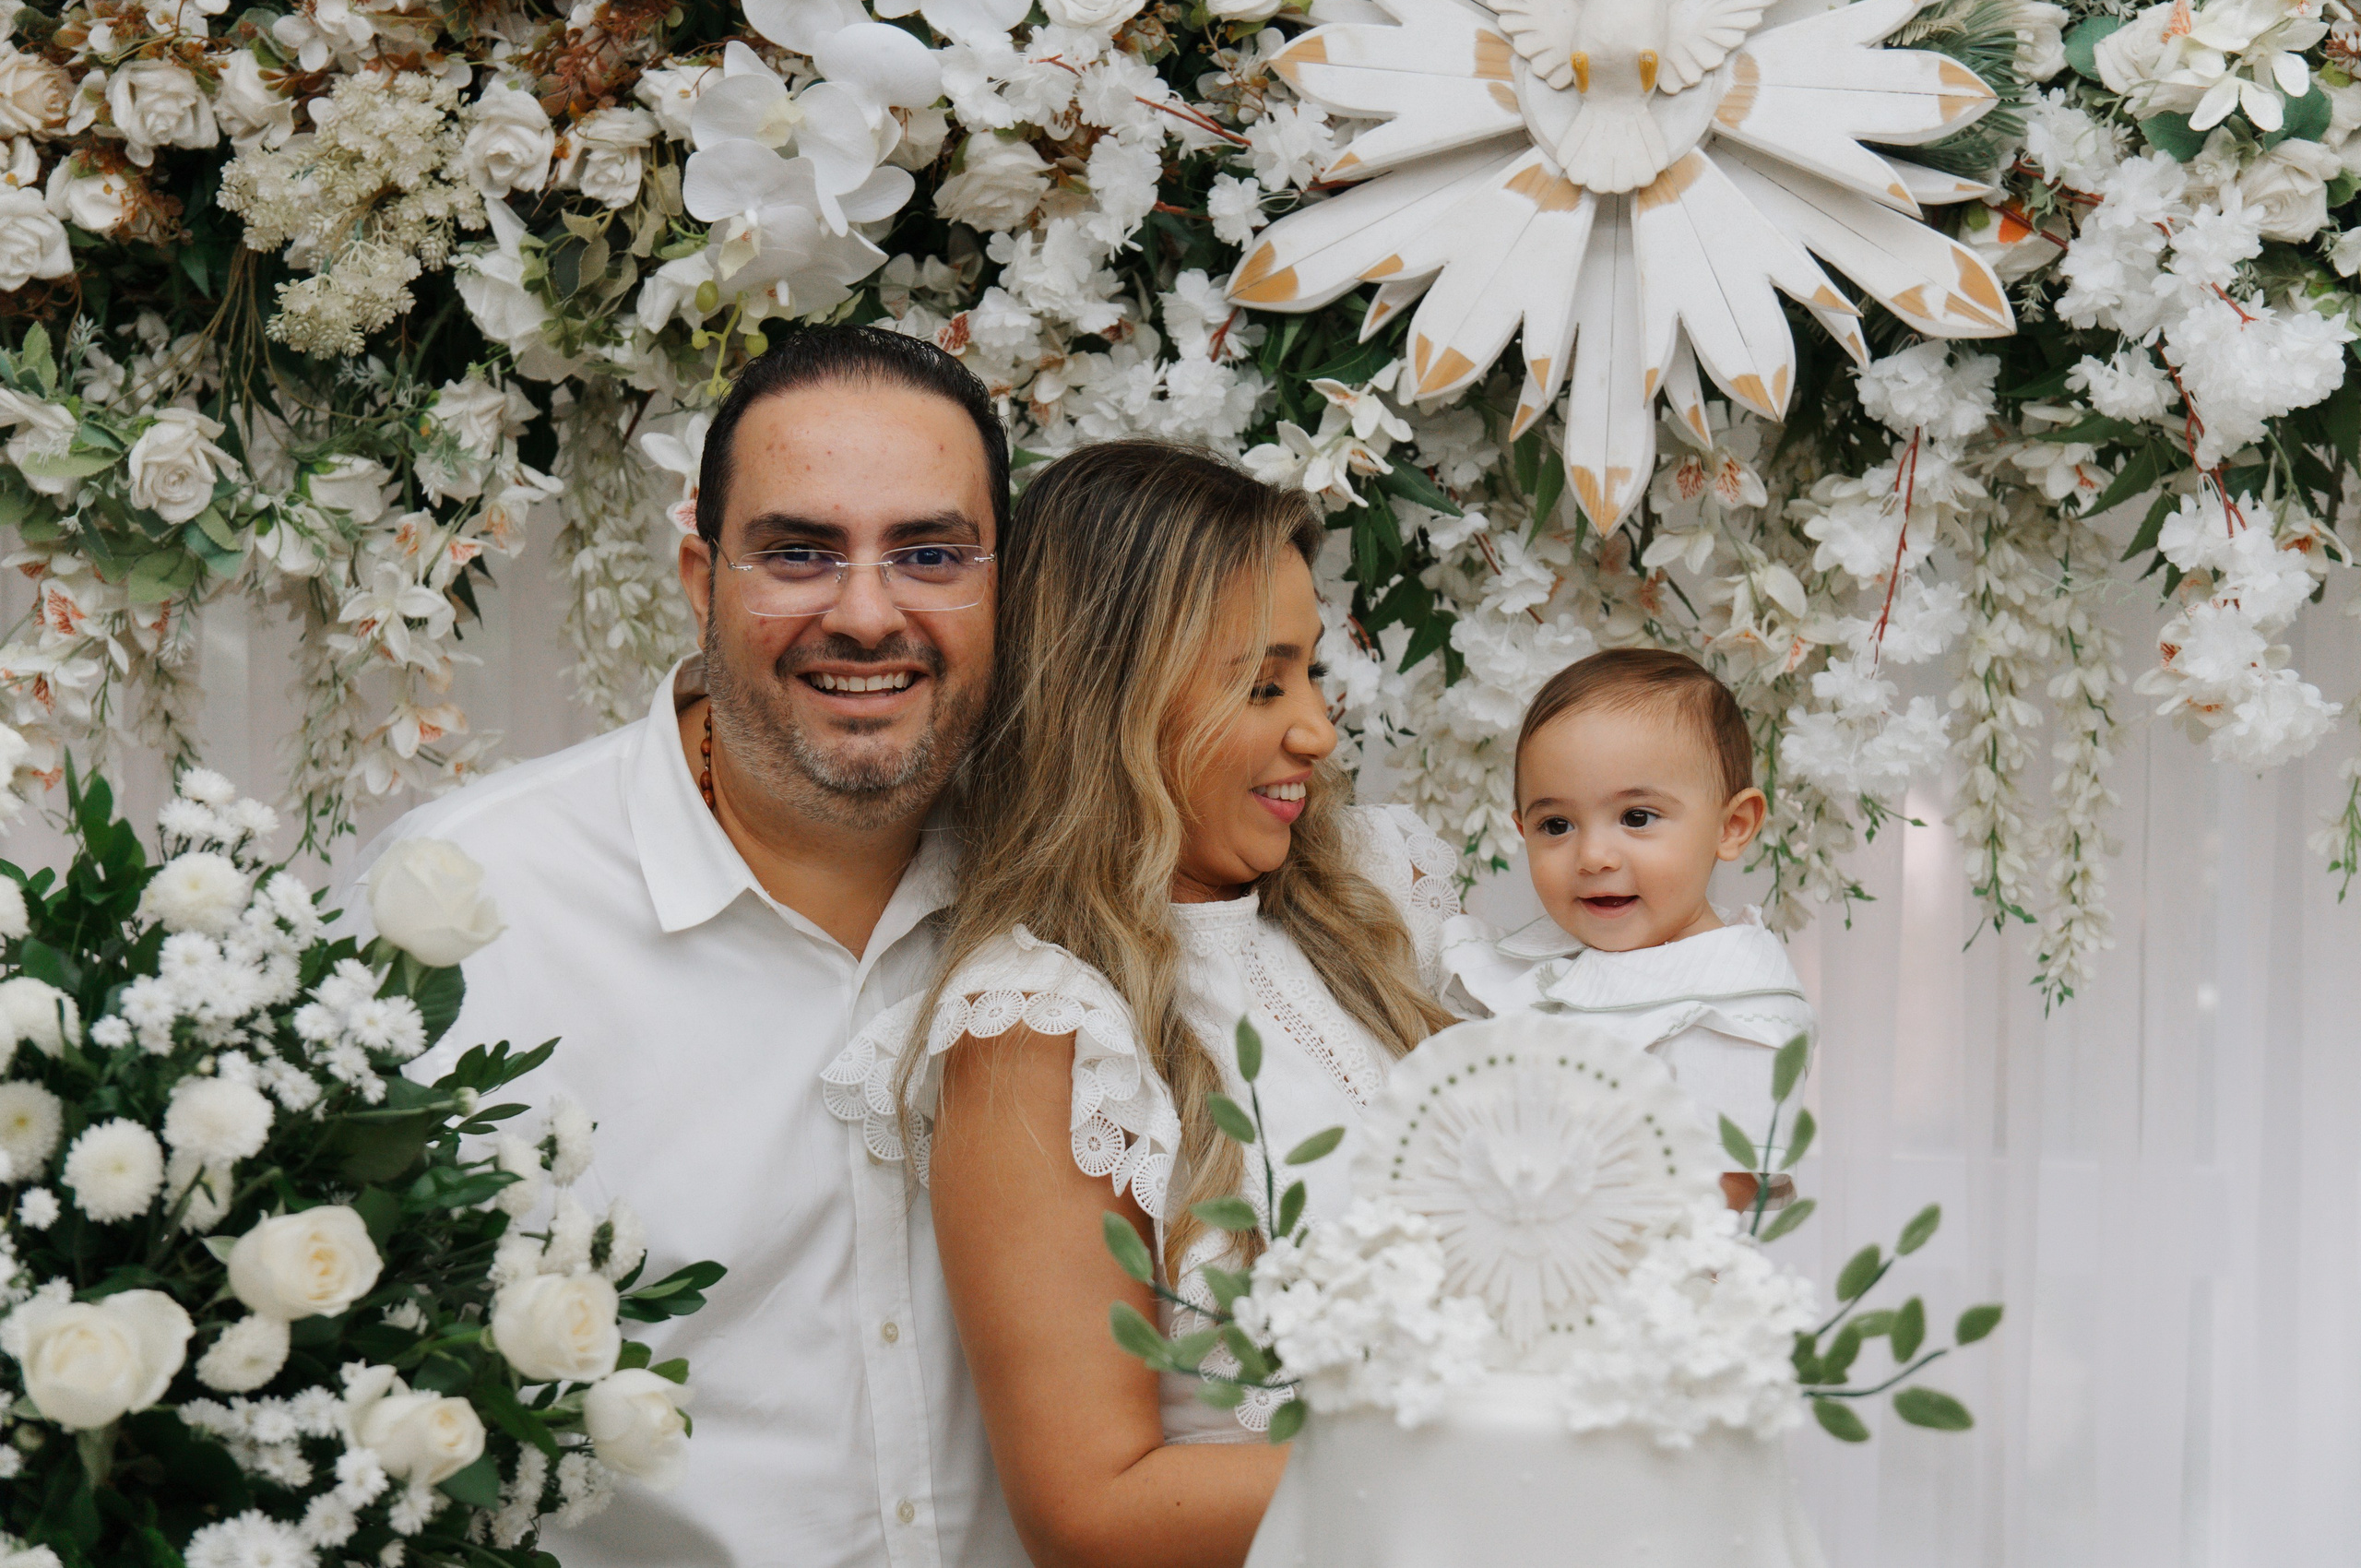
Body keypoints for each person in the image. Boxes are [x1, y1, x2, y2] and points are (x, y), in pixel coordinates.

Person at [336, 327, 1027, 1568]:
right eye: (800, 553)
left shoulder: (1080, 875)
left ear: (1002, 582)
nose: (867, 613)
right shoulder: (469, 905)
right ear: (698, 577)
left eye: (929, 553)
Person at [821, 441, 1465, 1568]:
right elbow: (1090, 1510)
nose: (1314, 728)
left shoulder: (1373, 904)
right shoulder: (1039, 1025)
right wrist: (1494, 1461)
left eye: (1311, 673)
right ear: (1111, 698)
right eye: (1260, 684)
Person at [1441, 647, 1816, 1202]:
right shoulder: (1530, 963)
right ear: (1522, 830)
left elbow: (1726, 1183)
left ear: (1732, 826)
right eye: (1557, 824)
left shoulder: (1736, 1000)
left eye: (1637, 818)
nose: (1593, 856)